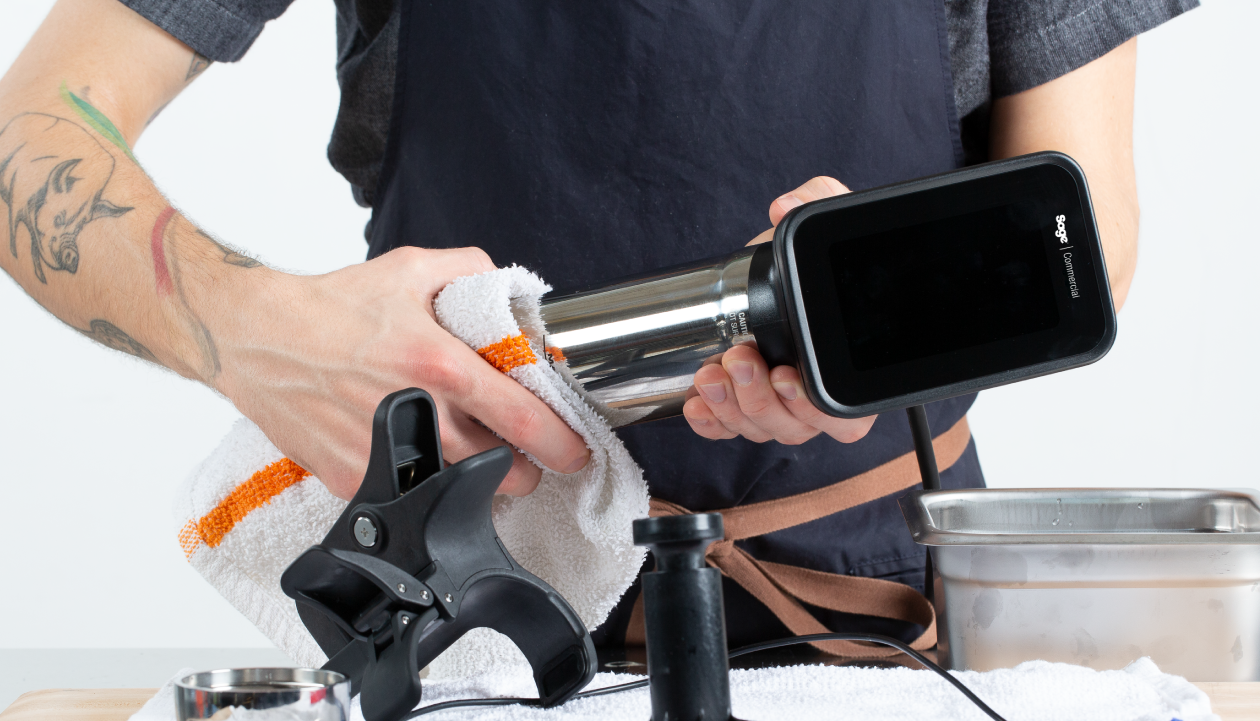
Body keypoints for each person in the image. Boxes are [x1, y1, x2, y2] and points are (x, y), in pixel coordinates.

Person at [0, 0, 1195, 652]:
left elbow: (1091, 230)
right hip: (470, 633)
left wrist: (910, 297)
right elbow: (28, 138)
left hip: (871, 623)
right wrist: (263, 333)